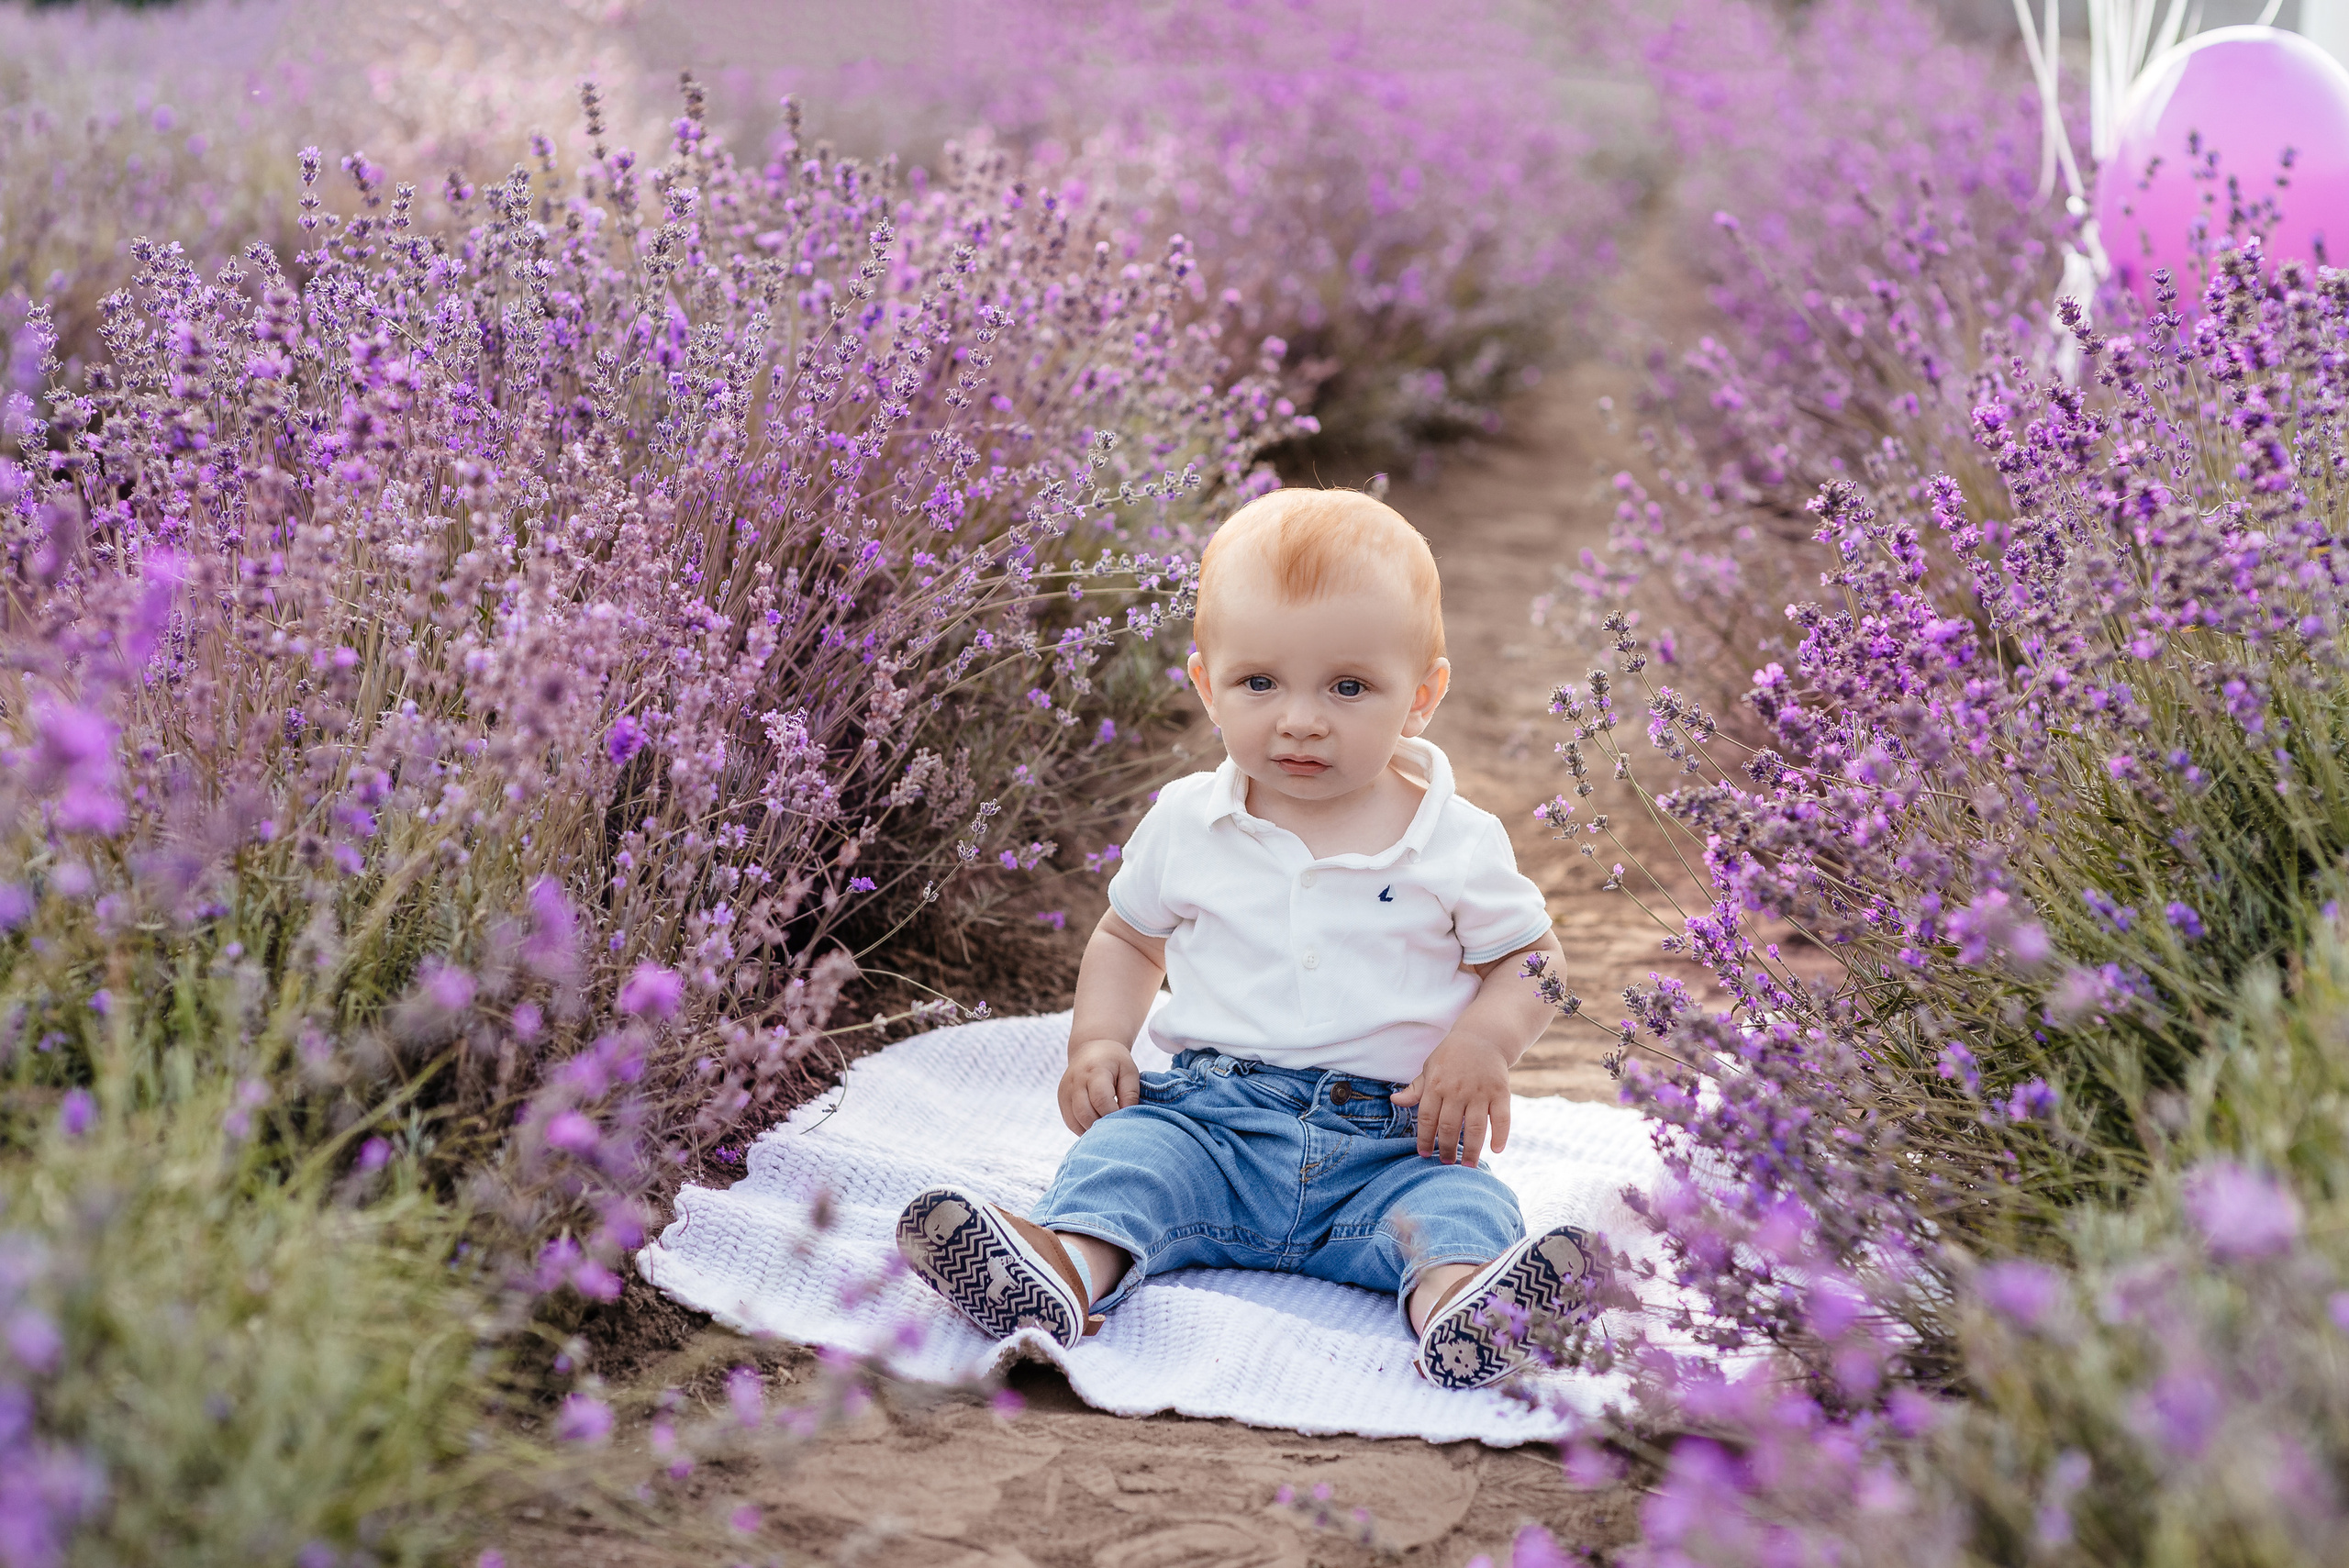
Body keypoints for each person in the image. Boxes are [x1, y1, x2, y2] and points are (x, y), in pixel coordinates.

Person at [894, 486, 1587, 1389]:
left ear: (1420, 696)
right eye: (1259, 682)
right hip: (1209, 1125)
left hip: (1393, 1145)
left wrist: (1482, 1041)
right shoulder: (1190, 819)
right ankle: (1059, 1273)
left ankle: (1467, 1310)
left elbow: (1531, 963)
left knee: (1459, 1208)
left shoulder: (1454, 838)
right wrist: (1099, 1038)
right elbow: (1128, 936)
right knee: (1122, 1165)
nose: (1300, 717)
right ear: (1204, 685)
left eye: (1347, 686)